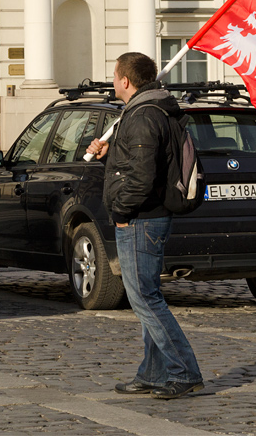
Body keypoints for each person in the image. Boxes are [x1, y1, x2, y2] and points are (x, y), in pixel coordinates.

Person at [86, 52, 204, 400]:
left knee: (146, 300)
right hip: (147, 217)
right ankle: (153, 373)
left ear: (125, 80)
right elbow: (143, 162)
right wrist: (111, 154)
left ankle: (184, 372)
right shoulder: (152, 110)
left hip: (141, 219)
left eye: (114, 75)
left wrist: (121, 210)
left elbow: (142, 178)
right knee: (146, 297)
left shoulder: (143, 115)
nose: (112, 80)